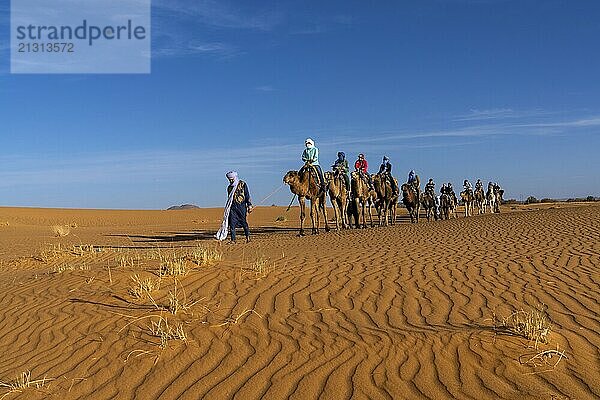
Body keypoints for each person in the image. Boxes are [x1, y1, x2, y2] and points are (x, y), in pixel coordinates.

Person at [215, 171, 253, 243]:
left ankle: (248, 238)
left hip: (241, 207)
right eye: (229, 179)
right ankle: (233, 240)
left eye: (232, 179)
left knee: (244, 222)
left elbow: (247, 195)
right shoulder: (229, 187)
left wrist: (249, 205)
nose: (231, 180)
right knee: (232, 224)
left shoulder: (242, 184)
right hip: (232, 208)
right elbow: (229, 199)